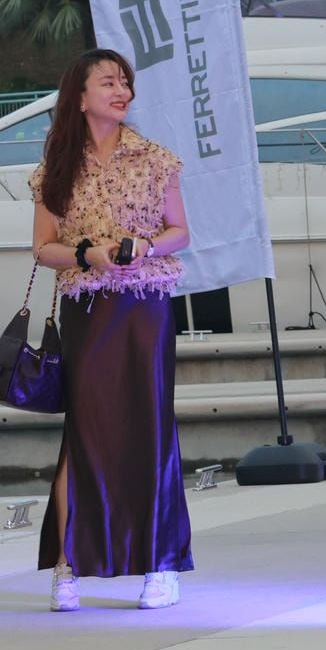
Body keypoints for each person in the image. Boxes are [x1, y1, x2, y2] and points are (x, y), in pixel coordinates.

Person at [28, 49, 195, 612]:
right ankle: (67, 563)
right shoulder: (55, 167)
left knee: (148, 429)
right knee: (85, 433)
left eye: (124, 82)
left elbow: (180, 232)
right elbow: (43, 248)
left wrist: (144, 246)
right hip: (89, 311)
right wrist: (87, 252)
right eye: (108, 82)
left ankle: (159, 563)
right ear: (79, 96)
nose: (121, 90)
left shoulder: (155, 159)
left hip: (145, 307)